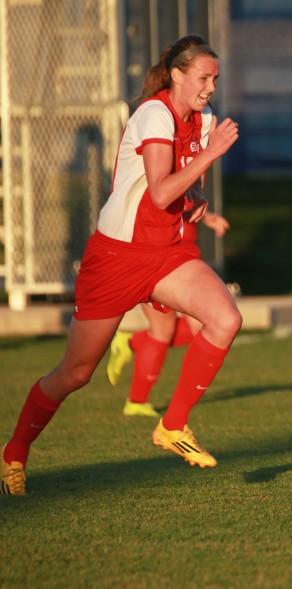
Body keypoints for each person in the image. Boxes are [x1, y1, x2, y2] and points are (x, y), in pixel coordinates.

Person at [1, 35, 241, 496]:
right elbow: (157, 192)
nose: (211, 87)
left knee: (226, 318)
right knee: (75, 373)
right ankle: (14, 451)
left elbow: (179, 193)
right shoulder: (154, 113)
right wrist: (207, 161)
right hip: (117, 257)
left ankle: (172, 426)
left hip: (166, 253)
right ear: (177, 75)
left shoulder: (206, 120)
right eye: (203, 77)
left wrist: (196, 202)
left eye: (215, 78)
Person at [105, 199, 232, 419]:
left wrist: (206, 215)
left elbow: (181, 195)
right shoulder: (152, 165)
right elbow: (159, 195)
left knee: (202, 328)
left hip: (187, 252)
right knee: (164, 330)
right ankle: (137, 402)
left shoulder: (183, 167)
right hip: (156, 253)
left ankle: (130, 343)